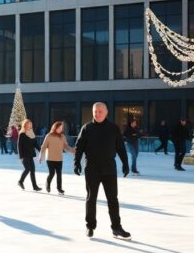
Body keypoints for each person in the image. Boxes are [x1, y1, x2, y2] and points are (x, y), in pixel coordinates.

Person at [74, 102, 131, 239]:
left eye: (100, 111)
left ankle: (116, 228)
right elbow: (79, 147)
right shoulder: (87, 128)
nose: (97, 114)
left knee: (113, 200)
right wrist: (76, 163)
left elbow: (121, 148)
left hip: (109, 169)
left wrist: (125, 163)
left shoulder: (113, 128)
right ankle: (90, 226)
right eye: (95, 111)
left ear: (106, 113)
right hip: (92, 169)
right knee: (91, 198)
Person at [38, 121, 75, 194]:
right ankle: (48, 184)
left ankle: (59, 188)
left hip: (59, 158)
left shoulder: (62, 136)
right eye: (59, 128)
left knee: (59, 174)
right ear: (55, 127)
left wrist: (73, 151)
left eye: (61, 128)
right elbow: (43, 147)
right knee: (52, 173)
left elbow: (66, 147)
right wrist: (41, 156)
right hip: (50, 158)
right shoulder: (49, 136)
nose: (61, 129)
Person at [17, 119, 41, 191]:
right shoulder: (22, 134)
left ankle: (35, 186)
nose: (30, 125)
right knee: (27, 169)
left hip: (30, 155)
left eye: (31, 124)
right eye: (28, 124)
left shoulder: (31, 133)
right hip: (24, 155)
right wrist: (20, 157)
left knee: (32, 170)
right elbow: (19, 146)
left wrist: (41, 150)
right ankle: (20, 181)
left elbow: (35, 144)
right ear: (25, 125)